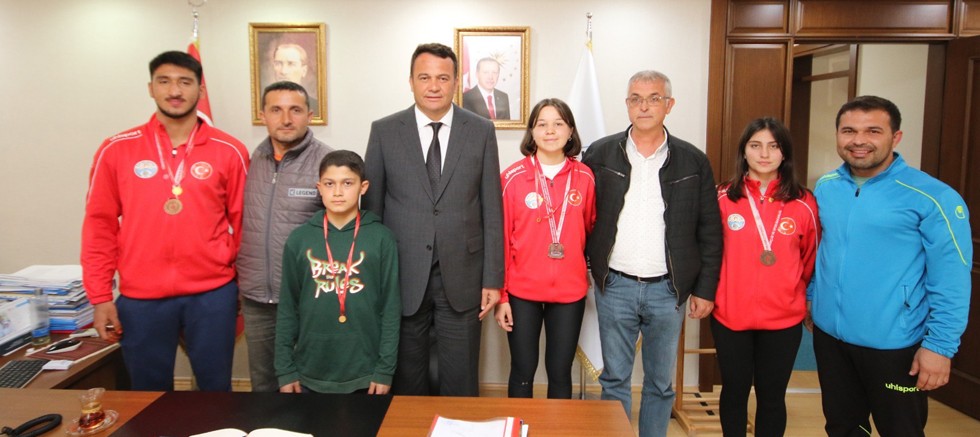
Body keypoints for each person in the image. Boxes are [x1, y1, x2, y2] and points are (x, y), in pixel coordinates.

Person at [81, 51, 250, 391]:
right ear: (151, 88)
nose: (175, 91)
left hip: (212, 294)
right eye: (164, 81)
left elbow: (245, 225)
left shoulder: (230, 150)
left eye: (185, 82)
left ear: (200, 90)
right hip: (141, 297)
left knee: (216, 392)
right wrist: (100, 296)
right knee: (147, 395)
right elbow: (99, 226)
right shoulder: (116, 149)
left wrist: (239, 285)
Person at [808, 95, 972, 437]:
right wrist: (812, 298)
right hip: (830, 337)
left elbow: (952, 280)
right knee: (842, 426)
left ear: (896, 137)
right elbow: (821, 249)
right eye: (848, 130)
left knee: (900, 430)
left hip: (894, 344)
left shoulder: (933, 197)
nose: (859, 140)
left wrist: (940, 347)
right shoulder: (826, 187)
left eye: (873, 131)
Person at [582, 70, 722, 437]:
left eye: (654, 98)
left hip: (668, 289)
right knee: (614, 380)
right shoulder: (599, 153)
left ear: (669, 105)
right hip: (615, 285)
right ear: (627, 104)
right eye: (636, 99)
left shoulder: (693, 161)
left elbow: (710, 229)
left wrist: (705, 289)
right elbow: (581, 215)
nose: (644, 106)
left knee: (661, 384)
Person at [363, 42, 504, 396]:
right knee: (407, 381)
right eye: (424, 77)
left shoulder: (481, 130)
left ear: (456, 82)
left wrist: (493, 279)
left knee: (461, 380)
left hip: (463, 275)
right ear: (410, 81)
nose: (434, 86)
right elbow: (372, 212)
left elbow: (492, 208)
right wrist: (373, 277)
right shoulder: (384, 131)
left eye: (443, 78)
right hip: (402, 273)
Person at [712, 117, 819, 437]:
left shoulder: (804, 202)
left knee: (772, 397)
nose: (764, 154)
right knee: (734, 391)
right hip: (731, 315)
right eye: (755, 145)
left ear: (784, 153)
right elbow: (709, 252)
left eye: (773, 146)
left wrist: (804, 297)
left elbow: (810, 258)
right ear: (743, 151)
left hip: (783, 318)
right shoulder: (722, 197)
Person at [275, 150, 400, 394]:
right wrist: (285, 369)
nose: (338, 192)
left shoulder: (381, 238)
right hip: (309, 370)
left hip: (365, 371)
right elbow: (288, 308)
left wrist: (385, 369)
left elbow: (391, 308)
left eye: (348, 183)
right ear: (319, 188)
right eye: (330, 184)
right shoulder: (299, 239)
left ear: (363, 187)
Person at [495, 98, 596, 399]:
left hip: (569, 292)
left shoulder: (585, 177)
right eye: (542, 124)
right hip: (521, 292)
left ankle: (557, 425)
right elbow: (500, 240)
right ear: (532, 132)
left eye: (558, 124)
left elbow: (590, 229)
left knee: (560, 371)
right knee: (522, 370)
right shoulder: (511, 178)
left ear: (570, 131)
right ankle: (521, 425)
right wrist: (502, 296)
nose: (550, 131)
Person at [237, 81, 333, 392]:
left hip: (309, 298)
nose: (286, 119)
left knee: (313, 382)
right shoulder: (248, 162)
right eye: (276, 110)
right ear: (262, 114)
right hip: (257, 299)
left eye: (295, 110)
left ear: (310, 115)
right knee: (265, 384)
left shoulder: (329, 164)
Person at [269, 42, 319, 118]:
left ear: (304, 70)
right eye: (278, 64)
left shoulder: (315, 106)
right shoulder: (265, 104)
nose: (283, 71)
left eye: (291, 64)